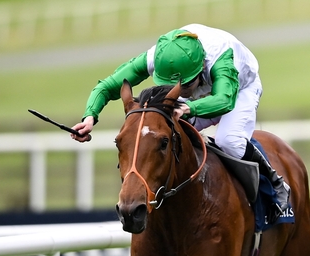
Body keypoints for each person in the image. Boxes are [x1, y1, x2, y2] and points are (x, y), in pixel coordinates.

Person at [71, 23, 290, 213]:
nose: (180, 91)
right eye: (172, 84)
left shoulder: (221, 59)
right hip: (205, 87)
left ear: (200, 66)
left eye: (184, 85)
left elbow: (224, 100)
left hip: (239, 89)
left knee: (228, 140)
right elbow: (107, 86)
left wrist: (189, 108)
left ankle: (274, 182)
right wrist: (90, 116)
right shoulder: (160, 56)